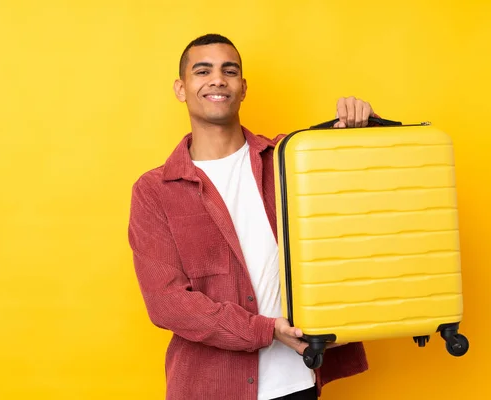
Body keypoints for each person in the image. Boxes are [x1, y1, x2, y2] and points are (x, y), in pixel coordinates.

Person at [128, 33, 378, 400]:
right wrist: (264, 330)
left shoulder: (290, 159)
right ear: (181, 88)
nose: (217, 79)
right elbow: (168, 303)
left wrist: (358, 128)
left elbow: (360, 196)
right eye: (203, 71)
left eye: (229, 70)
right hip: (210, 388)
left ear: (243, 88)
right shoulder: (155, 190)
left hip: (299, 382)